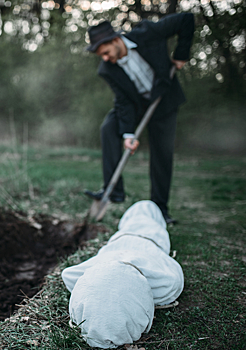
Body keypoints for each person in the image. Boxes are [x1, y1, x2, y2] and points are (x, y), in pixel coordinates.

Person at [83, 13, 195, 225]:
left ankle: (160, 209)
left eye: (105, 52)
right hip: (135, 105)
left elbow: (186, 19)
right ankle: (113, 190)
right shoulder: (107, 69)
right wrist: (128, 134)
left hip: (164, 101)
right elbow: (123, 101)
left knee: (162, 154)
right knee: (109, 128)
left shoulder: (148, 33)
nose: (105, 58)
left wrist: (181, 53)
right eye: (100, 55)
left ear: (116, 40)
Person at [62, 200, 184, 348]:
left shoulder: (164, 283)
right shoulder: (163, 283)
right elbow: (174, 279)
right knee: (147, 214)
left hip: (120, 243)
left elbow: (68, 275)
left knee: (140, 216)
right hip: (145, 240)